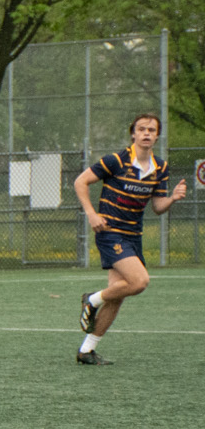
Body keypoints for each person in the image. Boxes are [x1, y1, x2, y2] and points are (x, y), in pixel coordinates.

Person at [73, 113, 188, 365]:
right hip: (110, 232)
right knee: (140, 281)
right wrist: (91, 214)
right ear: (133, 134)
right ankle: (91, 299)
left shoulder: (161, 168)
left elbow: (157, 206)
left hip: (133, 235)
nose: (147, 133)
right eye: (142, 129)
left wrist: (173, 198)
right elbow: (80, 182)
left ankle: (86, 351)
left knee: (117, 296)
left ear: (157, 135)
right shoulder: (116, 160)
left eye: (152, 129)